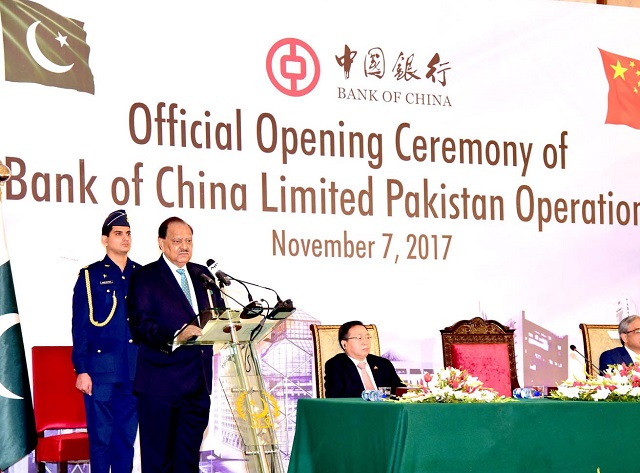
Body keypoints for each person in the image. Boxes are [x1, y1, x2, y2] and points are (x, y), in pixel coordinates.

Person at [127, 216, 224, 473]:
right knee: (159, 462)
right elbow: (140, 325)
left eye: (189, 241)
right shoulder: (144, 277)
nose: (184, 246)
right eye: (177, 241)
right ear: (162, 243)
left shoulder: (202, 274)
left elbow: (218, 313)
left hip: (197, 385)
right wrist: (175, 336)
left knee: (187, 462)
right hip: (160, 385)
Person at [71, 209, 139, 473]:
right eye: (118, 234)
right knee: (101, 440)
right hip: (100, 371)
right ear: (105, 239)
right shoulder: (90, 276)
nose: (125, 239)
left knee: (125, 439)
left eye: (128, 234)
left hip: (133, 371)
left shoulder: (142, 275)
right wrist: (82, 369)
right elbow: (81, 327)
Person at [324, 320, 405, 398]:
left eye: (367, 337)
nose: (365, 342)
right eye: (359, 338)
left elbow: (400, 391)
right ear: (344, 344)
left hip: (387, 409)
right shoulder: (336, 365)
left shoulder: (383, 363)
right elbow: (335, 398)